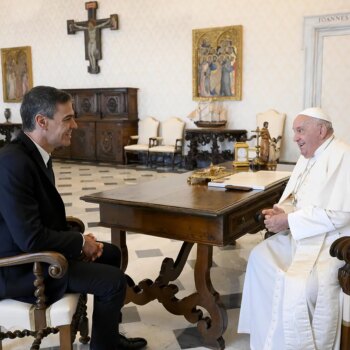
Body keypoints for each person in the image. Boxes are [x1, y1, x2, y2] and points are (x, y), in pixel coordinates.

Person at [0, 86, 147, 350]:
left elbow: (39, 220)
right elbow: (30, 238)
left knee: (111, 254)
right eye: (67, 118)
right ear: (41, 122)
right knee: (113, 283)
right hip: (20, 269)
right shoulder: (13, 163)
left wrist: (79, 241)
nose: (75, 125)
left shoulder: (34, 154)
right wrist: (79, 242)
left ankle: (108, 339)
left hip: (37, 254)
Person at [238, 107, 350, 350]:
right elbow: (296, 198)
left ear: (321, 130)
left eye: (300, 131)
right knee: (259, 257)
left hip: (330, 241)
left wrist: (288, 221)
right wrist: (283, 212)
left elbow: (341, 214)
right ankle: (268, 339)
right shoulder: (308, 156)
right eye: (295, 131)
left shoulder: (344, 155)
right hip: (302, 235)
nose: (295, 137)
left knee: (302, 286)